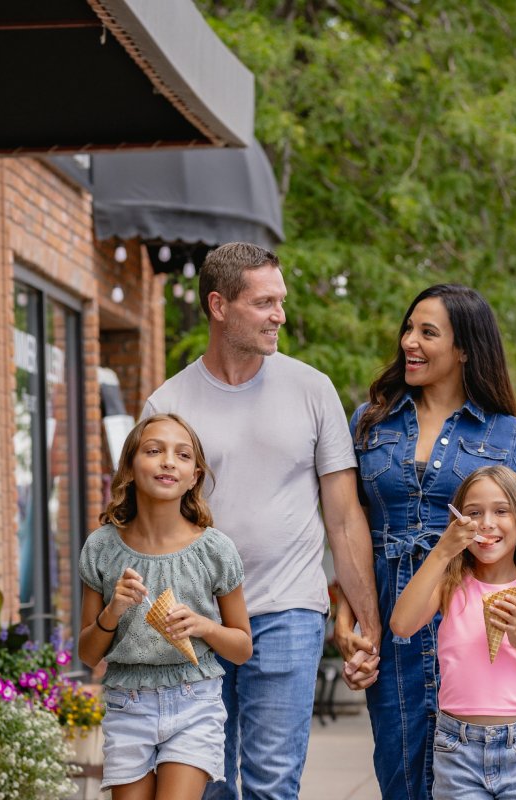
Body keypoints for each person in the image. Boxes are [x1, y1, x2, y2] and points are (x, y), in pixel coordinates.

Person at [141, 242, 383, 800]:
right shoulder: (168, 404)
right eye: (265, 302)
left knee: (273, 784)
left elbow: (344, 518)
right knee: (206, 781)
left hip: (288, 612)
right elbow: (146, 528)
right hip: (195, 623)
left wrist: (364, 619)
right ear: (219, 305)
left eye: (282, 301)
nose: (280, 315)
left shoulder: (312, 388)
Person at [349, 283, 516, 798]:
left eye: (427, 332)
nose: (410, 340)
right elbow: (349, 531)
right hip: (393, 620)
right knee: (400, 772)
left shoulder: (508, 434)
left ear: (464, 350)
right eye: (409, 328)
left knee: (472, 779)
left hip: (470, 623)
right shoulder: (369, 423)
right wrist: (349, 617)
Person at [79, 413, 254, 800]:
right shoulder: (102, 548)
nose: (168, 461)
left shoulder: (215, 549)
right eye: (154, 450)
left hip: (195, 703)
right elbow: (89, 654)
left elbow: (242, 648)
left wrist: (203, 627)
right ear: (129, 468)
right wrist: (113, 612)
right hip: (128, 705)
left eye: (183, 455)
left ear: (194, 476)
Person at [390, 465, 516, 799]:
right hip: (456, 750)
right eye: (474, 512)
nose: (487, 523)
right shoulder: (450, 584)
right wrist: (443, 550)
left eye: (501, 511)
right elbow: (401, 625)